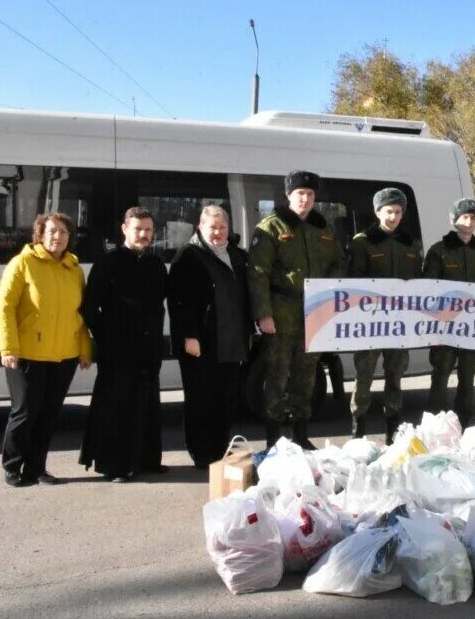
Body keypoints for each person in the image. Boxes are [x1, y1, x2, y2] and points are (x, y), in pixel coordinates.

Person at [248, 170, 345, 450]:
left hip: (314, 312)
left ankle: (300, 435)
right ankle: (273, 439)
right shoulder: (272, 227)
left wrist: (326, 290)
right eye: (300, 193)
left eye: (310, 194)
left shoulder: (322, 228)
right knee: (277, 376)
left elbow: (340, 261)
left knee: (307, 376)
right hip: (281, 312)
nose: (305, 199)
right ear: (288, 195)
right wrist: (263, 313)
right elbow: (257, 273)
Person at [0, 213, 92, 487]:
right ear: (40, 234)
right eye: (51, 231)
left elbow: (80, 313)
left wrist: (85, 350)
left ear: (69, 237)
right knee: (25, 412)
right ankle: (12, 466)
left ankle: (36, 468)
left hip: (65, 355)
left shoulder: (74, 268)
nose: (57, 237)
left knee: (49, 414)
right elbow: (5, 308)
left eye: (63, 232)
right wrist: (9, 347)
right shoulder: (22, 263)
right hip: (26, 354)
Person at [79, 207, 167, 482]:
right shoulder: (108, 263)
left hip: (148, 348)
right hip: (117, 349)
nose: (143, 234)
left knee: (148, 403)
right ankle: (114, 465)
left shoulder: (155, 264)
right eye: (138, 229)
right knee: (116, 408)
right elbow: (90, 308)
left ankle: (147, 460)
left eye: (148, 230)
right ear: (125, 229)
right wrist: (107, 338)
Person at [168, 205, 252, 469]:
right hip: (201, 342)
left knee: (225, 399)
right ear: (200, 228)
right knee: (201, 399)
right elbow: (179, 302)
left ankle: (219, 449)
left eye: (222, 227)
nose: (217, 232)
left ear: (229, 229)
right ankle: (201, 453)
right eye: (212, 227)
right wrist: (189, 335)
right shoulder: (189, 256)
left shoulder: (237, 255)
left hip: (230, 339)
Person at [348, 187, 423, 443]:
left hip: (400, 324)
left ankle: (393, 430)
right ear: (378, 212)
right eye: (389, 211)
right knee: (364, 376)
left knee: (395, 375)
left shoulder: (411, 244)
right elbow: (354, 280)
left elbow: (418, 282)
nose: (394, 217)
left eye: (398, 212)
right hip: (370, 322)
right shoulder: (362, 241)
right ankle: (358, 431)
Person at [423, 198, 475, 429]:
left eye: (473, 218)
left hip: (472, 328)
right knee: (441, 374)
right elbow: (429, 287)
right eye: (464, 217)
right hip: (444, 326)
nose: (469, 222)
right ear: (454, 220)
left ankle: (464, 422)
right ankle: (436, 423)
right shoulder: (439, 250)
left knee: (468, 376)